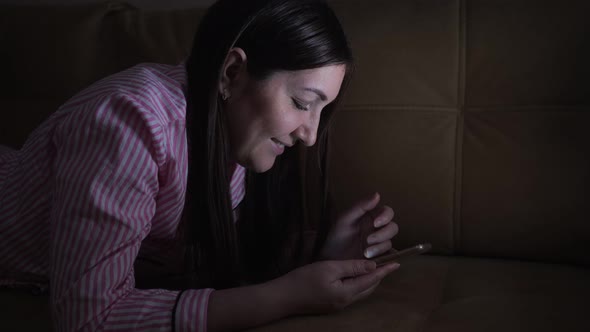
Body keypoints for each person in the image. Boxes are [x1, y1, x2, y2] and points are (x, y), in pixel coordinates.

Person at [0, 0, 400, 331]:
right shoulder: (130, 123)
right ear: (232, 72)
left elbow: (215, 264)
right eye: (301, 103)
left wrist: (322, 257)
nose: (310, 135)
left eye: (321, 110)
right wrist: (285, 297)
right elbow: (88, 317)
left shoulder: (236, 145)